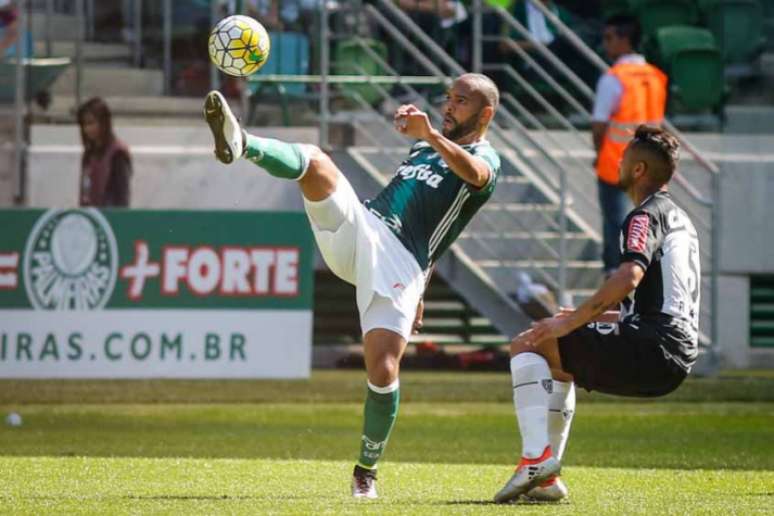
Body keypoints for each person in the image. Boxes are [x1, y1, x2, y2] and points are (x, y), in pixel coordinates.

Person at [203, 73, 501, 499]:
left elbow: (473, 177)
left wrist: (430, 133)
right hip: (365, 226)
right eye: (449, 98)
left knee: (382, 371)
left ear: (484, 113)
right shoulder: (424, 146)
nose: (449, 106)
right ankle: (241, 143)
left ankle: (366, 471)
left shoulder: (485, 159)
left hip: (401, 264)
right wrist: (428, 137)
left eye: (461, 101)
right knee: (315, 161)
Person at [494, 126, 700, 504]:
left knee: (528, 342)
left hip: (655, 347)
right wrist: (585, 319)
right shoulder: (681, 220)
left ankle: (535, 460)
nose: (616, 164)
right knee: (555, 354)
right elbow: (657, 304)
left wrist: (570, 322)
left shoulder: (643, 217)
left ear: (638, 170)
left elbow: (629, 276)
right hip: (675, 353)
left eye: (622, 159)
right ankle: (544, 480)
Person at [592, 15, 666, 276]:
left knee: (615, 224)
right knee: (645, 222)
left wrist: (598, 154)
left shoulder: (613, 78)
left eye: (609, 37)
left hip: (615, 163)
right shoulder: (656, 77)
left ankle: (615, 273)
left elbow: (599, 126)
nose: (605, 43)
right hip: (650, 166)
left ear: (625, 40)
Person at [77, 97, 132, 207]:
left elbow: (122, 198)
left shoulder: (118, 154)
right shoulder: (88, 154)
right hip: (90, 218)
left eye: (91, 123)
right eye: (84, 124)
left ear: (104, 123)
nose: (87, 129)